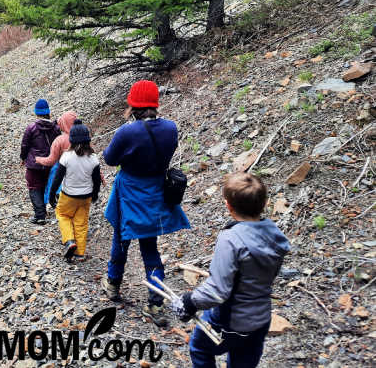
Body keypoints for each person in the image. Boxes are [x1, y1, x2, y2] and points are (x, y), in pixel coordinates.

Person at [171, 173, 290, 368]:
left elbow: (218, 291)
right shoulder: (274, 235)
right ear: (264, 203)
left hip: (230, 320)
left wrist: (189, 302)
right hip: (260, 319)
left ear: (228, 206)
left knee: (200, 348)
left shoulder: (230, 240)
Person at [101, 80, 190, 325]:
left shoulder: (126, 132)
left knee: (121, 239)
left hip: (129, 192)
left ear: (133, 104)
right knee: (150, 248)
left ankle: (113, 285)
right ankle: (155, 303)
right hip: (155, 194)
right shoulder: (171, 128)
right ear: (155, 103)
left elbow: (109, 159)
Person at [48, 120, 101, 262]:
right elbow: (96, 180)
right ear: (88, 140)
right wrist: (95, 195)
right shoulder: (93, 158)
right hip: (86, 197)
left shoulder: (66, 156)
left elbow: (57, 178)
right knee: (81, 223)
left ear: (71, 139)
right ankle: (80, 253)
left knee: (62, 214)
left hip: (68, 195)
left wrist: (52, 195)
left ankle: (70, 241)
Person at [20, 98, 60, 224]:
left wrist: (23, 158)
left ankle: (40, 215)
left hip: (35, 164)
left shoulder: (31, 128)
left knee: (34, 187)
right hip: (50, 162)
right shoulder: (55, 127)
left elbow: (25, 145)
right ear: (48, 112)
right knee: (48, 184)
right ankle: (56, 209)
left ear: (36, 113)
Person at [35, 110, 78, 206]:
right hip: (79, 170)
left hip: (62, 168)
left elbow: (51, 160)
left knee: (54, 172)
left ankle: (51, 198)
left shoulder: (60, 140)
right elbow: (92, 156)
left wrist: (37, 159)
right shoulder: (83, 138)